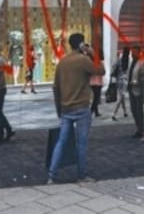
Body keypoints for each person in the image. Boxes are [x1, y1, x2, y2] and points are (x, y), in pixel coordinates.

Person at [47, 33, 105, 184]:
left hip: (66, 108)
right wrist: (93, 53)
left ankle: (51, 175)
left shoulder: (63, 62)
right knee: (82, 143)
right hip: (82, 107)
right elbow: (101, 70)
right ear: (81, 45)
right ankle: (81, 175)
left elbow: (55, 88)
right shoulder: (83, 60)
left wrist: (58, 108)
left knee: (61, 141)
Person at [127, 46, 144, 138]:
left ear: (139, 53)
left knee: (139, 110)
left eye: (134, 52)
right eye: (131, 52)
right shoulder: (131, 62)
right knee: (133, 110)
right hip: (131, 89)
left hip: (138, 90)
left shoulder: (141, 63)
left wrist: (135, 82)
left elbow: (143, 77)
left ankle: (141, 129)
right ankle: (138, 128)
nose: (132, 54)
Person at [112, 48, 130, 121]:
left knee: (122, 97)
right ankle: (114, 113)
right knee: (121, 98)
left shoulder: (119, 60)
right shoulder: (129, 61)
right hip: (125, 80)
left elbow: (113, 67)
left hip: (118, 80)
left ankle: (125, 112)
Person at [86, 44, 103, 117]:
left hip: (93, 81)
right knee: (96, 98)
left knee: (95, 98)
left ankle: (96, 112)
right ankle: (91, 112)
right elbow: (102, 71)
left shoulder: (90, 61)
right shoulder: (95, 61)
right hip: (96, 82)